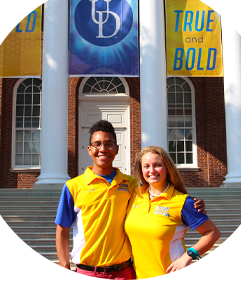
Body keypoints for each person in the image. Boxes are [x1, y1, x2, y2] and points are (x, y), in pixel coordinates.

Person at [55, 120, 206, 281]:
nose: (103, 149)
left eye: (109, 144)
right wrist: (66, 271)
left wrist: (192, 204)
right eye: (97, 144)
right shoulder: (73, 186)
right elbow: (62, 231)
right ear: (89, 149)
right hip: (88, 274)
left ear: (117, 149)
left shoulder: (133, 185)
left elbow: (160, 196)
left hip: (124, 273)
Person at [125, 146, 221, 281]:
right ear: (141, 170)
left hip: (172, 278)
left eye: (157, 165)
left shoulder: (182, 202)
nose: (151, 171)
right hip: (141, 278)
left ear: (167, 168)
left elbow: (212, 232)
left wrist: (188, 256)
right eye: (146, 166)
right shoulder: (134, 195)